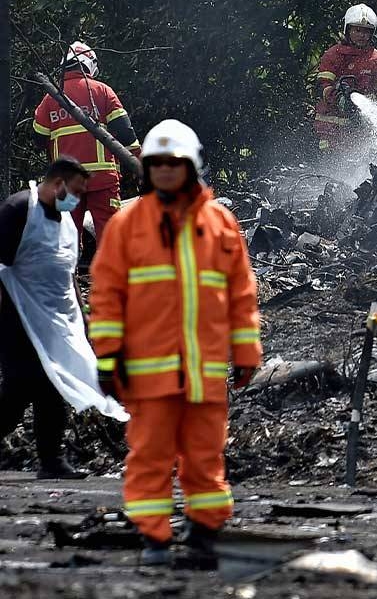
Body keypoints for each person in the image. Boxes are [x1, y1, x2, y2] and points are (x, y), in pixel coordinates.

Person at [88, 119, 262, 565]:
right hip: (149, 375)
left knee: (205, 458)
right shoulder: (128, 225)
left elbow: (241, 293)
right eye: (157, 163)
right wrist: (107, 358)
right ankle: (155, 540)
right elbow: (107, 295)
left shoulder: (219, 223)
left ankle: (204, 536)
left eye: (174, 162)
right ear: (147, 169)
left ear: (191, 166)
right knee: (150, 457)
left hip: (204, 373)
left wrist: (246, 352)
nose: (166, 170)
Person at [0, 158, 128, 479]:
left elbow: (68, 275)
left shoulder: (67, 222)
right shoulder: (18, 210)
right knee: (18, 391)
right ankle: (51, 460)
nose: (77, 199)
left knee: (53, 388)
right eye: (76, 191)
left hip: (56, 323)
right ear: (57, 184)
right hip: (19, 319)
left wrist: (82, 321)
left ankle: (51, 461)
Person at [32, 41, 143, 243]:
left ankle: (69, 275)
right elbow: (125, 133)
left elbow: (39, 139)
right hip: (102, 179)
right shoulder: (103, 91)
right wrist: (139, 161)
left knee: (66, 239)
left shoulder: (49, 100)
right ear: (89, 64)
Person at [314, 4, 377, 153]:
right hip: (330, 131)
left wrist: (374, 103)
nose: (361, 35)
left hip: (361, 131)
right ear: (348, 30)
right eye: (357, 30)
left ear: (372, 34)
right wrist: (339, 98)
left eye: (366, 31)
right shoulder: (333, 55)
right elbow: (322, 85)